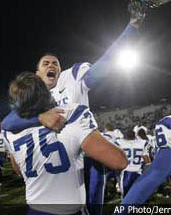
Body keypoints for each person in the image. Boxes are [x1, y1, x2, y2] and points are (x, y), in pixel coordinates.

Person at [2, 0, 146, 215]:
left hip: (84, 154)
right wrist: (40, 119)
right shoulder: (31, 99)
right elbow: (7, 122)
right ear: (37, 74)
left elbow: (105, 65)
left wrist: (132, 27)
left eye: (55, 63)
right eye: (45, 63)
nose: (52, 65)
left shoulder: (73, 77)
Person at [2, 72, 127, 215]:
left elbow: (18, 170)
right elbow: (119, 161)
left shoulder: (9, 131)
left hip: (34, 209)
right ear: (46, 93)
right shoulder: (71, 114)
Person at [119, 112, 171, 210]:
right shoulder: (144, 142)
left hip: (129, 171)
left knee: (127, 198)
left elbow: (158, 170)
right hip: (139, 170)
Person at [116, 129, 150, 198]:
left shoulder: (120, 143)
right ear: (135, 136)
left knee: (126, 197)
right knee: (138, 196)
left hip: (126, 173)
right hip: (138, 172)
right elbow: (147, 160)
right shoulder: (142, 143)